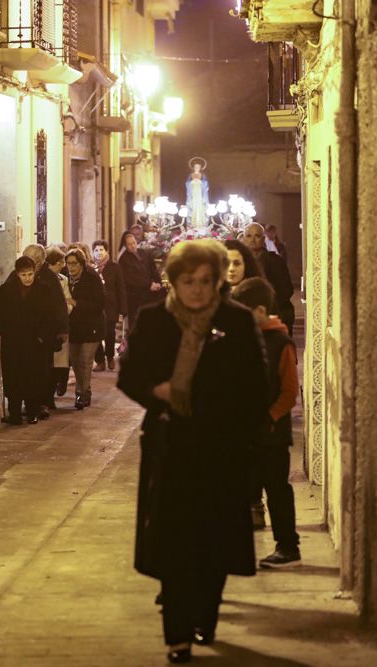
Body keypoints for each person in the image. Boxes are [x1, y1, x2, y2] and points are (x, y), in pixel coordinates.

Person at [117, 240, 268, 663]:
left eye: (206, 281)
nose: (198, 290)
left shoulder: (236, 322)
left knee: (213, 540)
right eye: (189, 281)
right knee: (175, 542)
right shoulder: (153, 320)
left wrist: (232, 422)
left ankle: (206, 614)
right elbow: (129, 377)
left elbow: (257, 386)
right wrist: (156, 391)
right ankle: (177, 635)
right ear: (174, 281)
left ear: (218, 281)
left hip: (221, 449)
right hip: (171, 448)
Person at [231, 278, 302, 568]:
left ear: (260, 310)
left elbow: (289, 392)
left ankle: (288, 547)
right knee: (245, 491)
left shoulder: (281, 343)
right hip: (246, 432)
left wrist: (268, 418)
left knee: (277, 491)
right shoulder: (243, 340)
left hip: (272, 434)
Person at [0, 256, 59, 424]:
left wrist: (44, 337)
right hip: (13, 342)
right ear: (17, 274)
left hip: (35, 342)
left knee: (34, 377)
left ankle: (32, 411)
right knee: (13, 377)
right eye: (24, 275)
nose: (28, 278)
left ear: (34, 273)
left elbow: (51, 316)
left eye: (30, 274)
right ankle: (14, 413)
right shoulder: (7, 289)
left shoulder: (44, 290)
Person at [25, 243, 70, 411]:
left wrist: (62, 330)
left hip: (45, 332)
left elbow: (59, 305)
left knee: (45, 367)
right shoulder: (20, 273)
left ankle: (44, 400)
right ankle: (31, 400)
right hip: (26, 333)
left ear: (40, 261)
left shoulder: (48, 277)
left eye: (33, 259)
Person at [65, 247, 105, 410]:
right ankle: (84, 389)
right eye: (68, 264)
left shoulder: (92, 277)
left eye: (74, 264)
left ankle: (81, 393)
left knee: (86, 360)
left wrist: (78, 303)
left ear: (81, 264)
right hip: (74, 327)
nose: (71, 267)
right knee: (75, 361)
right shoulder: (65, 278)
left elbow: (100, 303)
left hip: (91, 326)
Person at [243, 223, 295, 335]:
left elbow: (287, 290)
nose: (253, 239)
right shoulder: (238, 262)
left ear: (263, 239)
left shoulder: (276, 261)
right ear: (243, 239)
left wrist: (267, 305)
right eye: (248, 236)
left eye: (257, 236)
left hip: (274, 312)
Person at [118, 230, 164, 333]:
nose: (133, 246)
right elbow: (130, 279)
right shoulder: (124, 260)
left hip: (150, 295)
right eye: (129, 244)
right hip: (135, 297)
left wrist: (158, 283)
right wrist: (149, 284)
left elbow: (154, 270)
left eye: (134, 243)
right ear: (125, 245)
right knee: (137, 325)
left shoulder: (144, 253)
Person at [92, 239, 127, 372]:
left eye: (101, 250)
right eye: (96, 250)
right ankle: (100, 361)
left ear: (106, 251)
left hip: (110, 305)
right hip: (95, 306)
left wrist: (123, 308)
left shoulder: (114, 267)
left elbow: (121, 288)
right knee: (95, 334)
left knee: (109, 333)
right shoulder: (90, 267)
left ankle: (110, 357)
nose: (99, 253)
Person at [45, 246, 74, 400]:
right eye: (60, 262)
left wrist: (66, 308)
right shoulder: (43, 279)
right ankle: (49, 394)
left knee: (61, 360)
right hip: (50, 326)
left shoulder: (63, 280)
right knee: (51, 362)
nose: (63, 266)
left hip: (62, 324)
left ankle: (61, 382)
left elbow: (68, 301)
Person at [185, 157, 210, 228]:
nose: (197, 168)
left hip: (200, 194)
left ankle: (201, 224)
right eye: (195, 167)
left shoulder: (202, 175)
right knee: (193, 207)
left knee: (200, 207)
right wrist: (192, 182)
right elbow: (187, 183)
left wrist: (200, 182)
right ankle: (193, 224)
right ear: (193, 167)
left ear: (200, 168)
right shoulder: (191, 175)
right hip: (193, 194)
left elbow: (206, 184)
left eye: (198, 167)